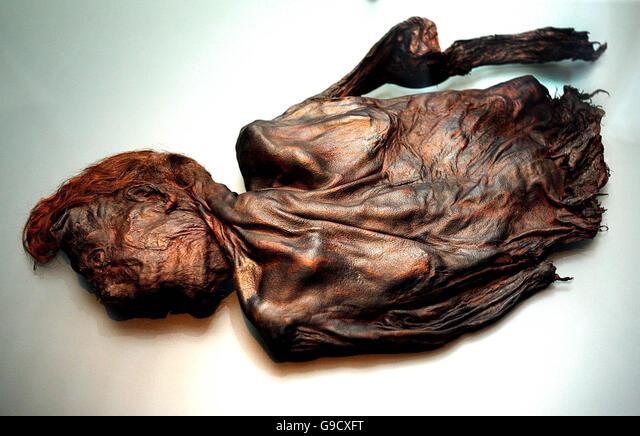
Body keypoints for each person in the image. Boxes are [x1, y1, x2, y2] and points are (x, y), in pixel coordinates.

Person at [23, 18, 608, 360]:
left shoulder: (268, 147)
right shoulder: (278, 316)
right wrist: (526, 275)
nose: (114, 291)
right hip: (549, 214)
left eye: (104, 259)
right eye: (106, 287)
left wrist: (471, 55)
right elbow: (433, 317)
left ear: (154, 201)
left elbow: (368, 83)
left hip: (533, 129)